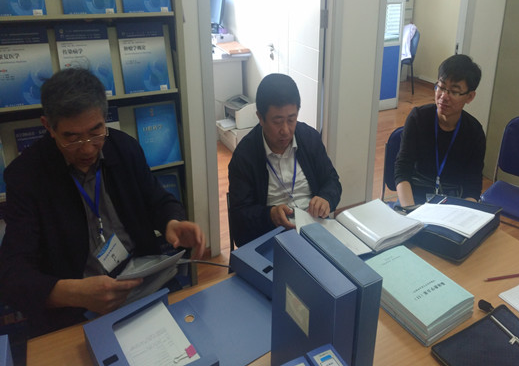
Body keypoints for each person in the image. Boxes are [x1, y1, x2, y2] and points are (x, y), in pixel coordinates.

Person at [0, 68, 206, 336]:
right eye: (72, 137)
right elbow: (13, 275)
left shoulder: (124, 148)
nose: (87, 148)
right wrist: (72, 292)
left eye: (96, 131)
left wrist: (172, 221)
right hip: (77, 310)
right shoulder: (26, 177)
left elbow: (157, 199)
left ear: (104, 118)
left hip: (142, 282)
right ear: (48, 126)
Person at [228, 73, 342, 247]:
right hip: (271, 238)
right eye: (277, 121)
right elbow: (240, 219)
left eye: (291, 119)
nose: (286, 130)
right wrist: (270, 215)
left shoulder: (309, 138)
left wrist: (326, 198)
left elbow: (332, 181)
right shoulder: (244, 157)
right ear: (260, 118)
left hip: (314, 230)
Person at [394, 54, 485, 208]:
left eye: (454, 91)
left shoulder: (474, 132)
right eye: (441, 87)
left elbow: (473, 185)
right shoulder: (418, 119)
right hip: (415, 196)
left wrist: (464, 214)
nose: (443, 96)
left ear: (470, 97)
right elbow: (402, 169)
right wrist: (409, 210)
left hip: (454, 201)